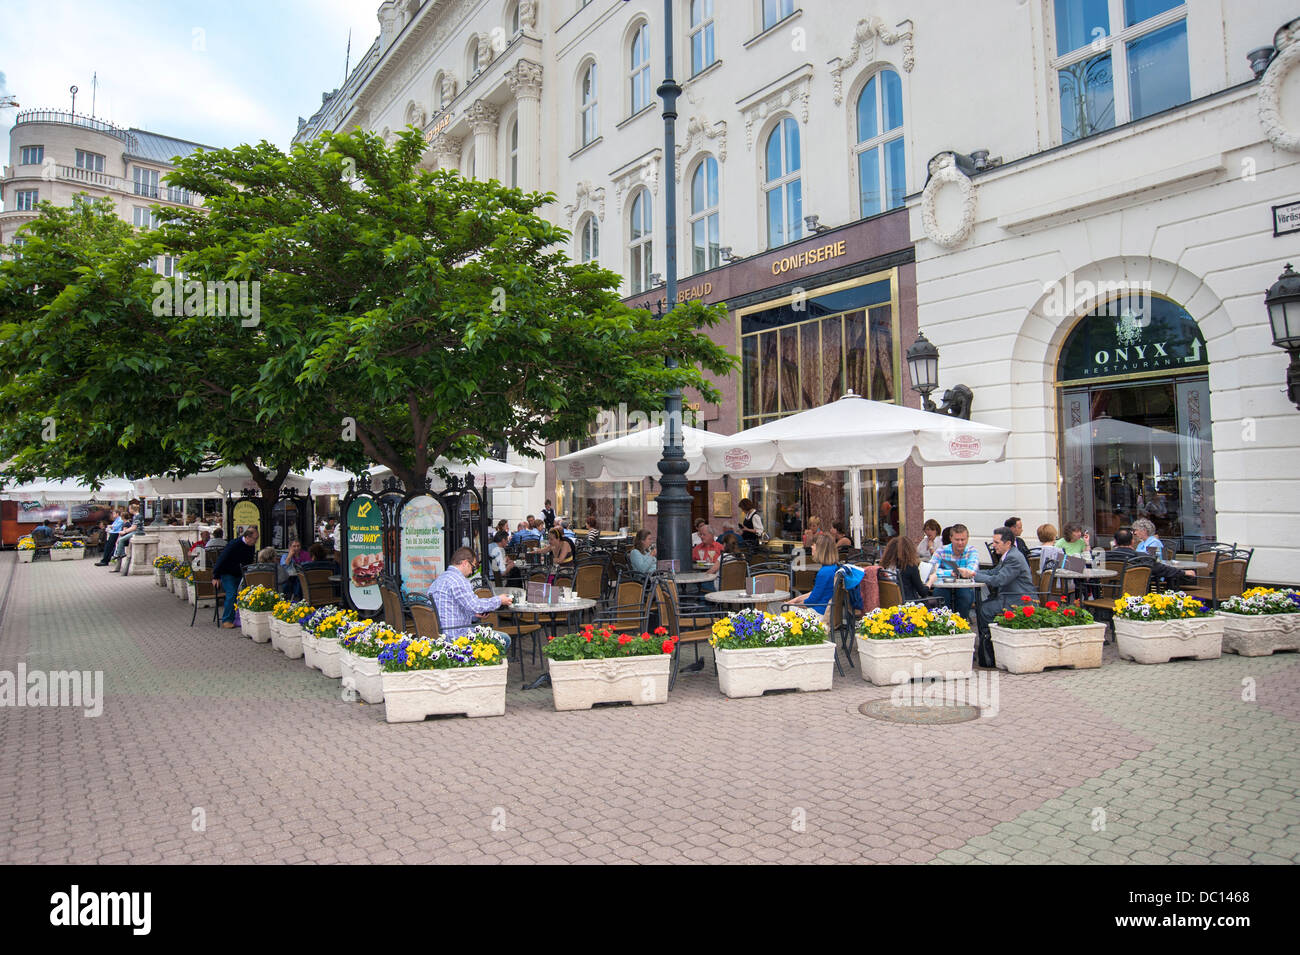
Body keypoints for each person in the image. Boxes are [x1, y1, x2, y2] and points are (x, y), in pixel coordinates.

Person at [427, 547, 513, 639]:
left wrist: (473, 615)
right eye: (473, 566)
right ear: (465, 563)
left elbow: (452, 608)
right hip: (456, 636)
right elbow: (475, 605)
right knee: (504, 638)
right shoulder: (458, 580)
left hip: (440, 635)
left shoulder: (439, 580)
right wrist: (499, 600)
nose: (472, 571)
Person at [964, 526, 1035, 631]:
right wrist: (972, 572)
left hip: (1018, 599)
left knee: (984, 609)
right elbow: (992, 572)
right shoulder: (1009, 554)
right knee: (983, 606)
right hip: (1010, 596)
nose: (993, 545)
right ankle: (987, 641)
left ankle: (989, 641)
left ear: (1008, 543)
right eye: (993, 542)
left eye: (997, 543)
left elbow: (999, 580)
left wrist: (974, 575)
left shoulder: (1013, 557)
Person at [213, 526, 259, 628]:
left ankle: (242, 617)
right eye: (255, 539)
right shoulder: (234, 544)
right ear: (247, 537)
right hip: (227, 573)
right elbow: (222, 559)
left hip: (241, 573)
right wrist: (216, 576)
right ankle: (227, 620)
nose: (256, 541)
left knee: (247, 593)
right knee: (232, 593)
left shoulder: (251, 546)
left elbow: (249, 561)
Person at [785, 534, 840, 615]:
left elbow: (811, 601)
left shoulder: (824, 572)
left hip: (817, 613)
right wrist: (793, 601)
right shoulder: (833, 568)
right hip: (826, 611)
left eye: (813, 545)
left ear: (820, 549)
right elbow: (814, 593)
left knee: (775, 607)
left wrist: (794, 605)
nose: (811, 547)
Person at [934, 523, 980, 618]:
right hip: (944, 585)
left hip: (964, 586)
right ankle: (945, 622)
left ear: (967, 538)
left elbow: (972, 569)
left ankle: (961, 622)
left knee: (965, 597)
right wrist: (949, 573)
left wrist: (966, 572)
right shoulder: (941, 550)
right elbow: (931, 569)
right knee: (939, 596)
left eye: (963, 539)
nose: (960, 543)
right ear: (951, 538)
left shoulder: (972, 551)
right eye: (957, 539)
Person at [880, 535, 933, 602]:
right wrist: (930, 581)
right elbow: (922, 592)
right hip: (909, 605)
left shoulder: (883, 567)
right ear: (910, 550)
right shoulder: (910, 567)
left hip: (889, 604)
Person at [109, 501, 145, 565]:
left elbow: (134, 527)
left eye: (129, 509)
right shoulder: (135, 516)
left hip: (137, 532)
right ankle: (121, 553)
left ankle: (119, 554)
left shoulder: (137, 516)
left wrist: (124, 531)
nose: (128, 510)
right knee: (121, 539)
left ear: (132, 509)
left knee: (121, 539)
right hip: (136, 531)